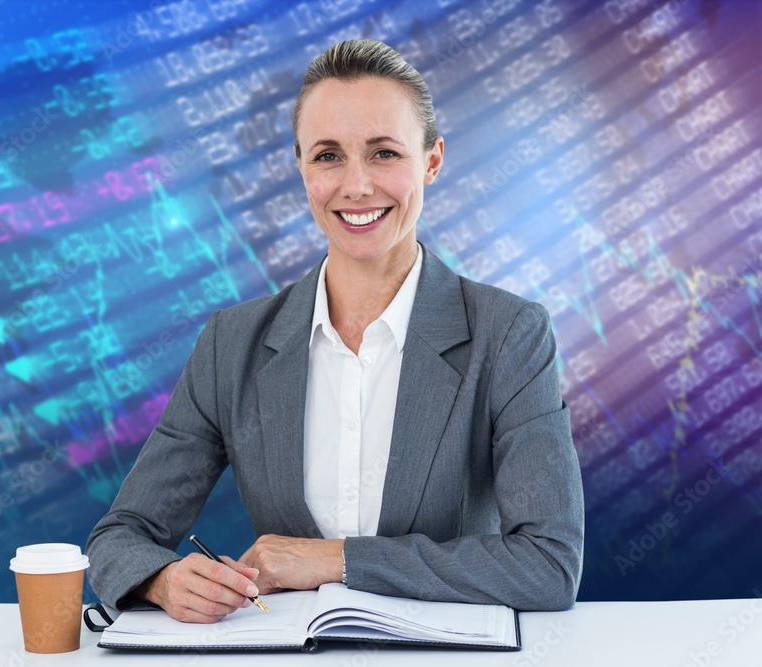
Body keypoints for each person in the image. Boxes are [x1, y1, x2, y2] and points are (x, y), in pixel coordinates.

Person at [86, 39, 584, 623]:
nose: (356, 186)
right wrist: (164, 580)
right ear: (300, 166)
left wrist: (337, 561)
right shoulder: (232, 344)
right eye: (327, 156)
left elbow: (549, 564)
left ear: (432, 160)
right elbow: (121, 536)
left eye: (384, 153)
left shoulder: (509, 335)